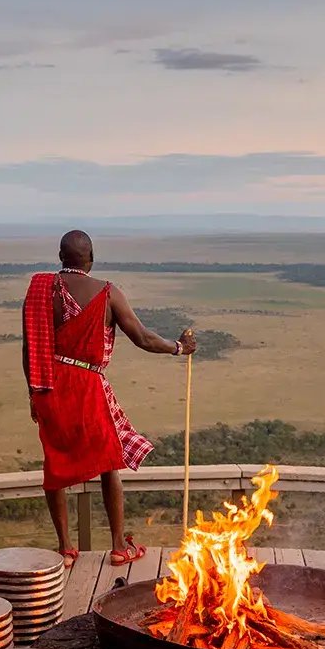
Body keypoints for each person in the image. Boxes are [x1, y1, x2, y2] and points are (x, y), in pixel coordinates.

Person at [22, 230, 196, 567]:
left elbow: (30, 347)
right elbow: (143, 337)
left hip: (49, 385)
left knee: (55, 463)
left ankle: (65, 550)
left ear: (60, 256)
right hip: (87, 384)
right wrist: (178, 347)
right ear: (90, 259)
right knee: (109, 460)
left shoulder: (41, 290)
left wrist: (34, 392)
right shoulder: (107, 292)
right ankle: (118, 547)